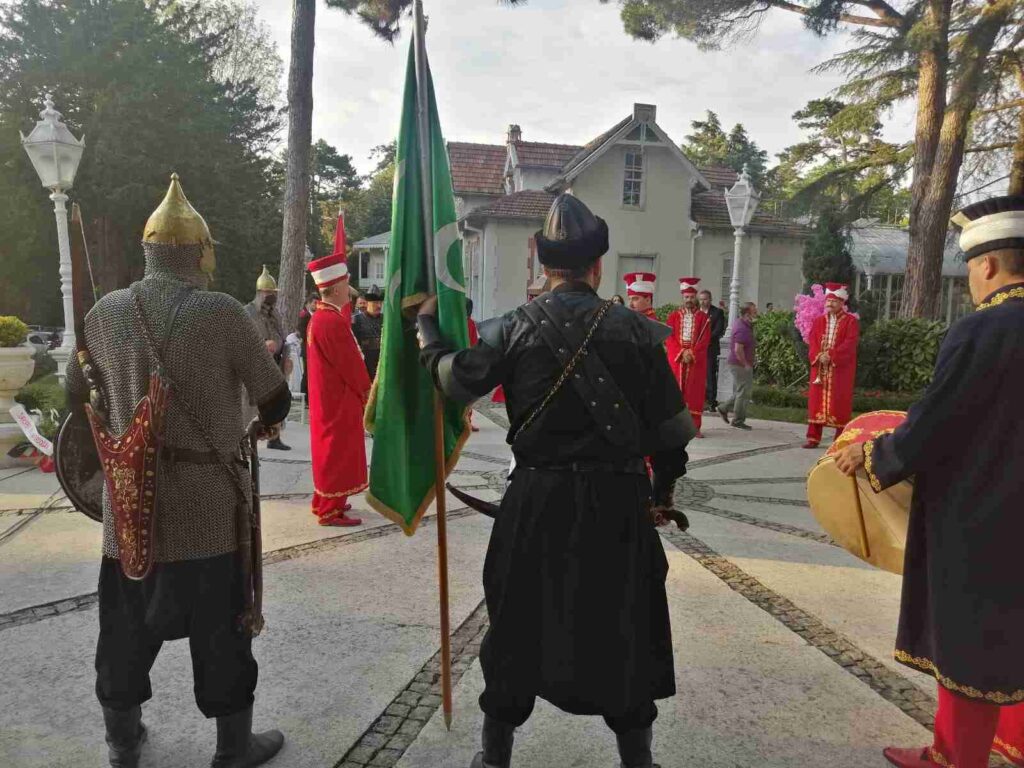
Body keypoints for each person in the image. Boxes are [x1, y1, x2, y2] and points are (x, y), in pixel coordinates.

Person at [416, 193, 693, 768]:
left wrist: (426, 331)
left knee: (517, 627)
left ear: (544, 265)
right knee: (625, 629)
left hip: (536, 503)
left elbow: (455, 379)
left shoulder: (512, 328)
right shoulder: (638, 332)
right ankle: (638, 762)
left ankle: (494, 759)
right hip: (618, 508)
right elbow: (670, 435)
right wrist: (660, 495)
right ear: (598, 265)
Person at [65, 174, 289, 768]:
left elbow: (78, 403)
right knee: (222, 633)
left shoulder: (103, 315)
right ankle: (232, 749)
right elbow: (275, 400)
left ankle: (122, 745)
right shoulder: (222, 313)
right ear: (200, 252)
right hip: (208, 507)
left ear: (148, 251)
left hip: (129, 510)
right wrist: (251, 424)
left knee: (123, 631)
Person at [834, 194, 1024, 768]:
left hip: (982, 513)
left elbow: (937, 423)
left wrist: (873, 453)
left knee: (970, 639)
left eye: (970, 267)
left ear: (988, 263)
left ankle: (956, 757)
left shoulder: (983, 329)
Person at [306, 217, 371, 527]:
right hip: (339, 401)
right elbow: (351, 365)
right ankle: (330, 510)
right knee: (337, 452)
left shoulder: (321, 318)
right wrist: (367, 392)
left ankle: (325, 501)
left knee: (330, 450)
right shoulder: (331, 322)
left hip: (330, 399)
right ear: (334, 289)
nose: (350, 292)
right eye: (346, 286)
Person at [803, 283, 859, 449]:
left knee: (840, 401)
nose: (830, 304)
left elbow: (850, 344)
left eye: (834, 301)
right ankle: (813, 438)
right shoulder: (818, 321)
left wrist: (831, 355)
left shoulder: (851, 322)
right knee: (816, 401)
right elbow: (813, 341)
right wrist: (819, 355)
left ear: (842, 302)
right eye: (828, 301)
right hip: (820, 367)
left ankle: (840, 440)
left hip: (840, 370)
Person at [244, 266, 292, 451]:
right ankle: (246, 439)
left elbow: (283, 338)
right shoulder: (247, 312)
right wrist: (263, 344)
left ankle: (275, 436)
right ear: (260, 292)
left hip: (275, 364)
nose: (272, 296)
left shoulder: (275, 314)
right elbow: (243, 340)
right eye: (268, 292)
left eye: (274, 292)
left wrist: (286, 358)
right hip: (256, 366)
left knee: (276, 402)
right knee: (252, 406)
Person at [666, 278, 711, 437]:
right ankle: (675, 427)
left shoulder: (703, 318)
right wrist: (681, 352)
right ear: (682, 297)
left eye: (692, 297)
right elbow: (669, 337)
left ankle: (694, 427)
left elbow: (705, 340)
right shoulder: (673, 316)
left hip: (695, 360)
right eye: (686, 297)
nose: (689, 300)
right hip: (677, 360)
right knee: (675, 392)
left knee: (694, 393)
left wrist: (692, 353)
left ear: (695, 297)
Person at [717, 302, 757, 430]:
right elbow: (738, 349)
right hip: (739, 364)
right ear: (747, 314)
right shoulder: (742, 328)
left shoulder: (744, 324)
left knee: (741, 391)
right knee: (743, 393)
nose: (756, 313)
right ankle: (738, 420)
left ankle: (723, 408)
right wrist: (745, 364)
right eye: (754, 311)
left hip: (739, 363)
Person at [700, 290, 726, 411]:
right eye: (701, 299)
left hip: (710, 348)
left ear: (710, 299)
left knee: (710, 374)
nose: (702, 302)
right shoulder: (696, 312)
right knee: (698, 375)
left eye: (705, 299)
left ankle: (711, 402)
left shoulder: (717, 312)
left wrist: (705, 339)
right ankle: (700, 400)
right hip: (696, 349)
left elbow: (718, 330)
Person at [352, 286, 383, 379]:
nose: (379, 306)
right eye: (375, 303)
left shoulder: (385, 319)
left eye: (380, 302)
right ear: (367, 303)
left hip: (382, 364)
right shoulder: (356, 320)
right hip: (364, 365)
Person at [297, 293, 318, 399]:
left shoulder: (316, 316)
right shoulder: (305, 316)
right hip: (307, 348)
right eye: (314, 303)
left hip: (314, 349)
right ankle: (304, 395)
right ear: (309, 303)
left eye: (317, 303)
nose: (316, 305)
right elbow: (302, 331)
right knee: (307, 373)